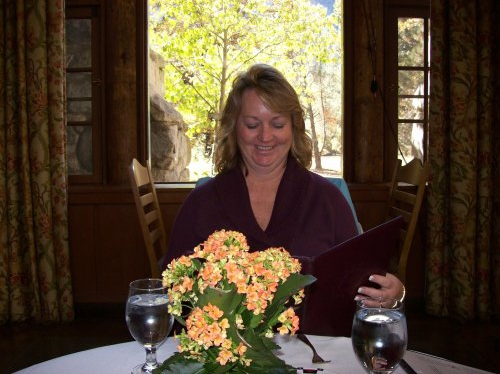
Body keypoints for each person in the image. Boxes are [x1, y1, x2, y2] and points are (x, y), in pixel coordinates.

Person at [162, 63, 405, 305]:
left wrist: (392, 294)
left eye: (277, 124)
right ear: (234, 128)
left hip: (316, 343)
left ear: (293, 128)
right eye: (252, 125)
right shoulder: (201, 202)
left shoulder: (328, 200)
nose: (265, 137)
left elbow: (361, 289)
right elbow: (170, 289)